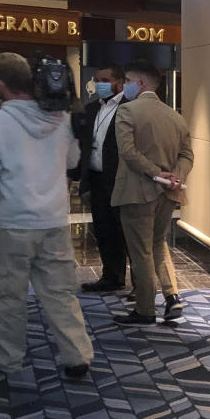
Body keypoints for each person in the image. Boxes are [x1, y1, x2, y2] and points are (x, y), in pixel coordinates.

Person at [0, 52, 93, 379]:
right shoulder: (63, 118)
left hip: (12, 225)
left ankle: (7, 359)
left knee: (6, 296)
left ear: (0, 84)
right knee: (60, 293)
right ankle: (77, 356)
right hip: (54, 222)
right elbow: (72, 162)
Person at [111, 60, 192, 325]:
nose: (124, 86)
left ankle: (145, 309)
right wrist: (175, 176)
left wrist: (156, 174)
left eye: (127, 81)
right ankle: (172, 296)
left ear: (141, 84)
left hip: (138, 192)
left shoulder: (127, 111)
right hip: (169, 193)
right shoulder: (175, 116)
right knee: (158, 243)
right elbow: (186, 154)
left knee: (141, 251)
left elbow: (128, 153)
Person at [77, 64, 131, 293]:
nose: (99, 84)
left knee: (127, 233)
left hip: (121, 180)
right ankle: (112, 276)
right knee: (104, 231)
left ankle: (141, 285)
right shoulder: (91, 110)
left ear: (119, 82)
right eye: (97, 79)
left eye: (105, 80)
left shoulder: (130, 109)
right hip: (97, 180)